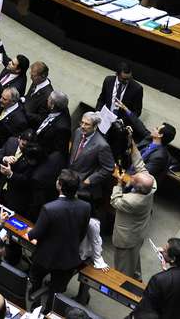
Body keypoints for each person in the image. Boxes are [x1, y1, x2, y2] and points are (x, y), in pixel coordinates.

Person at [26, 169, 91, 312]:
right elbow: (82, 232)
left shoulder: (49, 208)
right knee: (56, 293)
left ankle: (34, 310)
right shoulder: (86, 207)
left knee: (35, 281)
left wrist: (29, 234)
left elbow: (35, 234)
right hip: (68, 258)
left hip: (45, 257)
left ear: (59, 185)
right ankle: (49, 312)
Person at [111, 137, 156, 280]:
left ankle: (121, 287)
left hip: (127, 237)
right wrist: (132, 144)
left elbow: (115, 201)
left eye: (134, 179)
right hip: (137, 231)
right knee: (133, 259)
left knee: (122, 267)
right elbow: (140, 165)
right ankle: (136, 277)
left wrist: (119, 183)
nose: (133, 175)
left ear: (136, 187)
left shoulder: (133, 200)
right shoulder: (151, 184)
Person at [116, 100, 174, 181]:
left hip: (136, 183)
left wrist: (125, 178)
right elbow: (138, 124)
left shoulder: (160, 156)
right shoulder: (149, 138)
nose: (154, 128)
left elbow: (143, 175)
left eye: (157, 128)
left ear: (160, 135)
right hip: (126, 172)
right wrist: (125, 109)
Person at [137, 238, 180, 318]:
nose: (161, 251)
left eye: (164, 251)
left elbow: (147, 308)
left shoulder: (159, 280)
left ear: (173, 259)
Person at [68, 112, 114, 199]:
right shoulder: (78, 132)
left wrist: (89, 180)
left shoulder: (102, 145)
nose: (82, 126)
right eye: (82, 122)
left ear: (95, 126)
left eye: (87, 124)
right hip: (68, 178)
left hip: (82, 185)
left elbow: (109, 168)